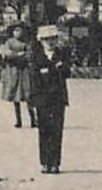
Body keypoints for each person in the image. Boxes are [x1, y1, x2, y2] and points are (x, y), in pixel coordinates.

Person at [30, 25, 72, 174]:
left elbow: (67, 72)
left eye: (52, 39)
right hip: (42, 98)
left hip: (58, 98)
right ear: (41, 41)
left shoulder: (61, 54)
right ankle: (45, 162)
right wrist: (33, 100)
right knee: (44, 130)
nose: (49, 42)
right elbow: (34, 77)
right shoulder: (36, 56)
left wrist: (59, 67)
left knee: (56, 130)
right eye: (46, 40)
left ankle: (55, 163)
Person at [0, 23, 36, 128]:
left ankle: (33, 119)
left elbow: (30, 55)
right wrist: (16, 55)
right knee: (16, 96)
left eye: (19, 30)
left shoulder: (27, 42)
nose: (18, 33)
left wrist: (21, 56)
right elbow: (6, 53)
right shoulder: (9, 42)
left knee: (28, 95)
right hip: (14, 71)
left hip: (24, 70)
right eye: (16, 30)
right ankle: (18, 120)